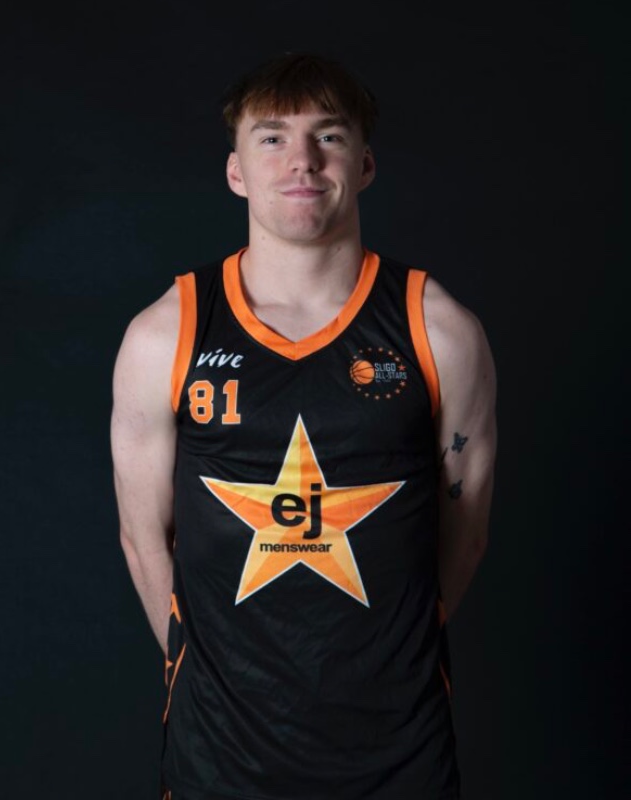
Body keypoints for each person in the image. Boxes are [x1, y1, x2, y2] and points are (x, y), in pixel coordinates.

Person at [110, 51, 497, 800]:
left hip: (398, 749)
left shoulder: (439, 330)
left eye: (328, 136)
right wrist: (209, 669)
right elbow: (142, 536)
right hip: (220, 750)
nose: (302, 160)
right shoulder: (166, 334)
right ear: (235, 171)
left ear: (364, 164)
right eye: (272, 138)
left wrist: (388, 654)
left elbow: (466, 533)